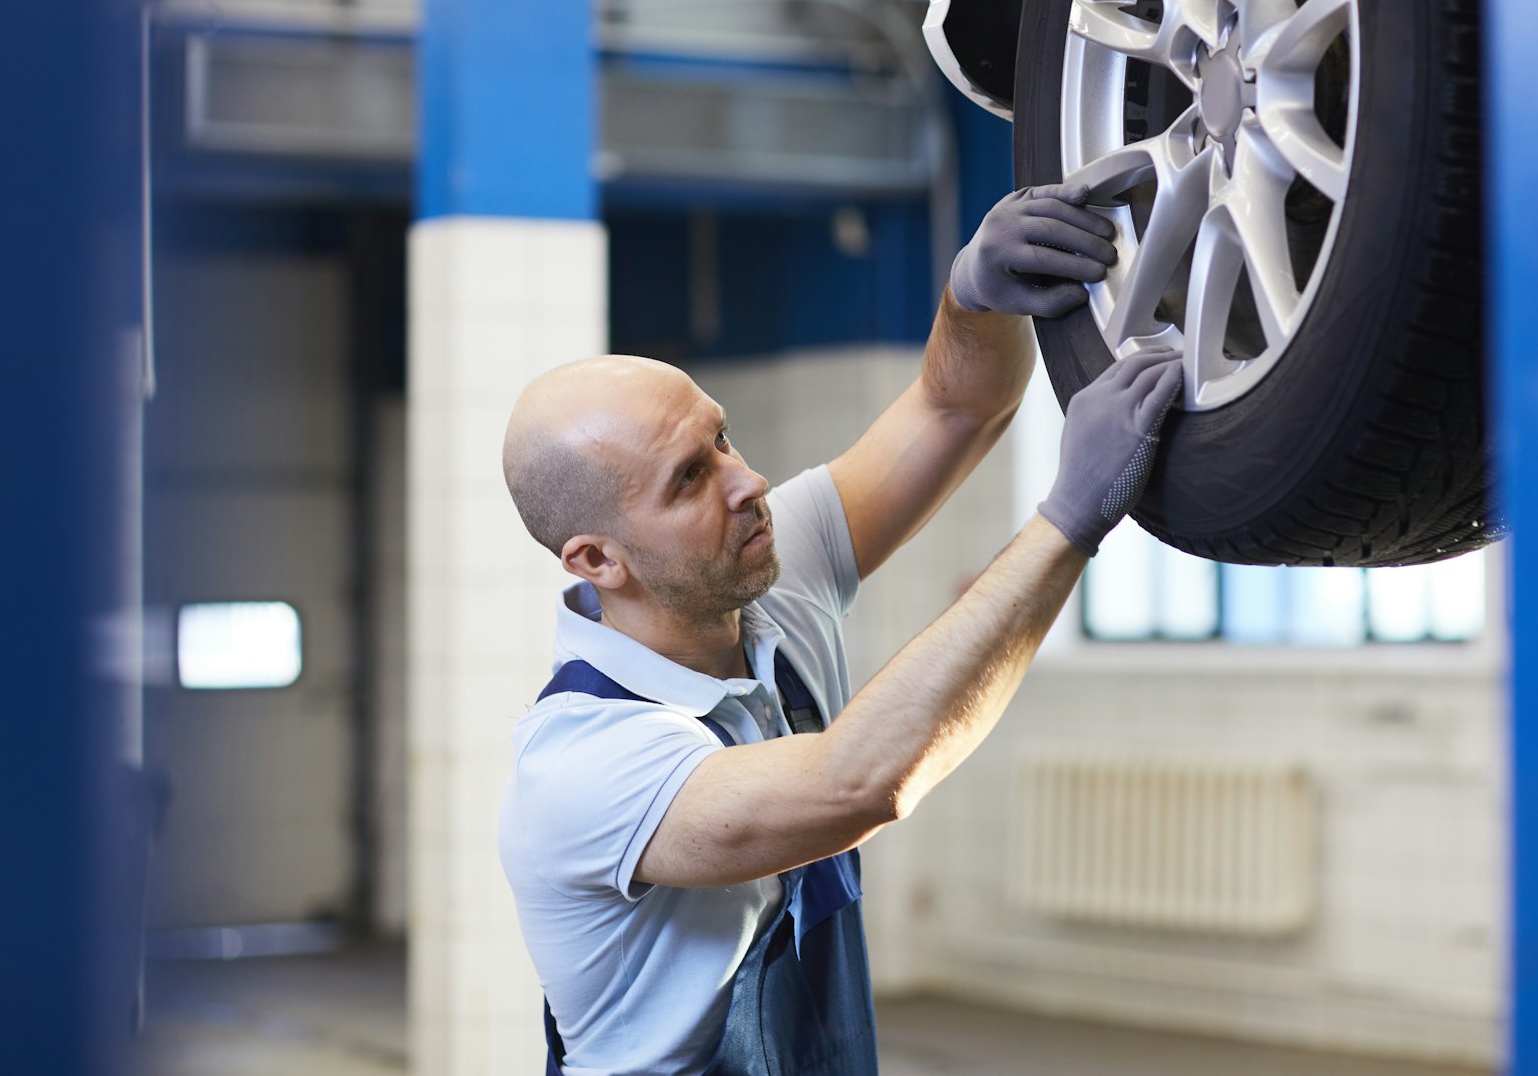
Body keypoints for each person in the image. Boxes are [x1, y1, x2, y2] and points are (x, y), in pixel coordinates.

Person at [496, 182, 1184, 1076]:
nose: (745, 483)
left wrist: (973, 297)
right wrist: (1067, 523)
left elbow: (952, 410)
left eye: (724, 440)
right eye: (688, 480)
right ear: (597, 561)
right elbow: (861, 783)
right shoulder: (581, 765)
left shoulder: (761, 579)